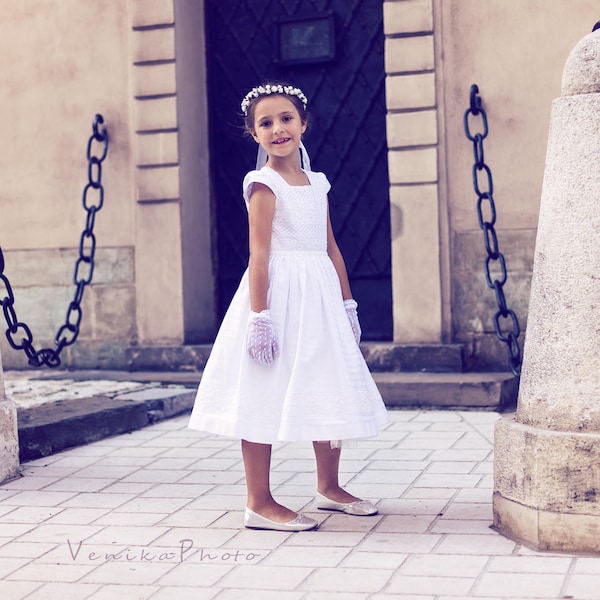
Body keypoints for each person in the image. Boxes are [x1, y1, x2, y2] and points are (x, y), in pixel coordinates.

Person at [188, 82, 389, 531]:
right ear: (254, 133)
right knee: (264, 388)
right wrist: (260, 318)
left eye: (285, 119)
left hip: (319, 295)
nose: (277, 128)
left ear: (303, 124)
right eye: (265, 123)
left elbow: (331, 247)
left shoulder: (317, 183)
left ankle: (329, 487)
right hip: (278, 297)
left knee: (328, 380)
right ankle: (258, 501)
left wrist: (348, 303)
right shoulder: (263, 184)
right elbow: (259, 256)